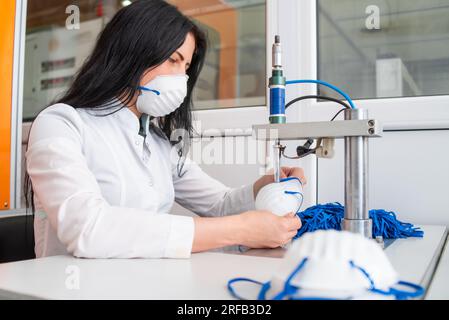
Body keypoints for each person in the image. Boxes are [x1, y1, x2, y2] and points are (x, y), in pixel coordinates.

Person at [25, 0, 305, 259]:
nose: (181, 78)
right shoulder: (61, 124)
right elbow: (88, 229)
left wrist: (262, 187)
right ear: (132, 52)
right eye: (173, 60)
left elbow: (219, 204)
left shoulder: (157, 141)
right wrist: (240, 229)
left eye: (186, 66)